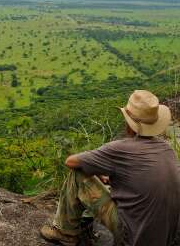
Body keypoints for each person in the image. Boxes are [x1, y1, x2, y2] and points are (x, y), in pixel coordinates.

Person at [40, 90, 180, 246]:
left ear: (129, 123)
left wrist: (94, 170)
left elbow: (71, 162)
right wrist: (104, 174)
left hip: (131, 239)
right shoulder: (168, 150)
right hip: (166, 239)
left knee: (78, 174)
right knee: (106, 181)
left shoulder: (121, 148)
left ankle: (65, 233)